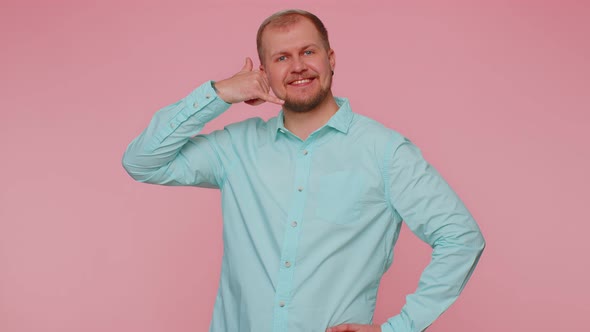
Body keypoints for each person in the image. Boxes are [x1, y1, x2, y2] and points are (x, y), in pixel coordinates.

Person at [122, 9, 485, 332]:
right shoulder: (235, 148)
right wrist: (220, 93)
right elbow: (142, 161)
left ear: (330, 58)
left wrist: (400, 328)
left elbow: (460, 238)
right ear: (264, 73)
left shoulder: (385, 152)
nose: (298, 66)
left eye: (308, 52)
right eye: (282, 57)